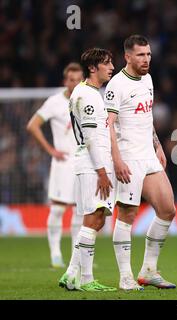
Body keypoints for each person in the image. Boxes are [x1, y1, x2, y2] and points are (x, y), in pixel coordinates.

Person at [105, 35, 176, 290]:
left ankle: (148, 270)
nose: (146, 60)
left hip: (148, 154)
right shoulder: (116, 85)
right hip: (128, 157)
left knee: (168, 209)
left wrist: (157, 145)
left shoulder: (147, 78)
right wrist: (117, 160)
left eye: (148, 54)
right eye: (140, 55)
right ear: (127, 56)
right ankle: (125, 277)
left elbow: (146, 116)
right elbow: (108, 125)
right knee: (127, 214)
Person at [58, 48, 116, 292]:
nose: (112, 67)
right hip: (93, 165)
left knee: (97, 218)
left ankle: (71, 273)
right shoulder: (86, 95)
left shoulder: (91, 92)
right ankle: (85, 278)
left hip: (94, 163)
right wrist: (102, 172)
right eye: (106, 63)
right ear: (93, 68)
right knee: (93, 219)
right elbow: (91, 138)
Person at [26, 63, 84, 268]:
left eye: (78, 80)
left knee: (80, 212)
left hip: (83, 162)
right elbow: (32, 125)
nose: (75, 83)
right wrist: (51, 150)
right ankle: (56, 254)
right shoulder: (55, 102)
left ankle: (77, 258)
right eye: (71, 80)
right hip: (62, 163)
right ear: (65, 81)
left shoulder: (88, 100)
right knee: (58, 209)